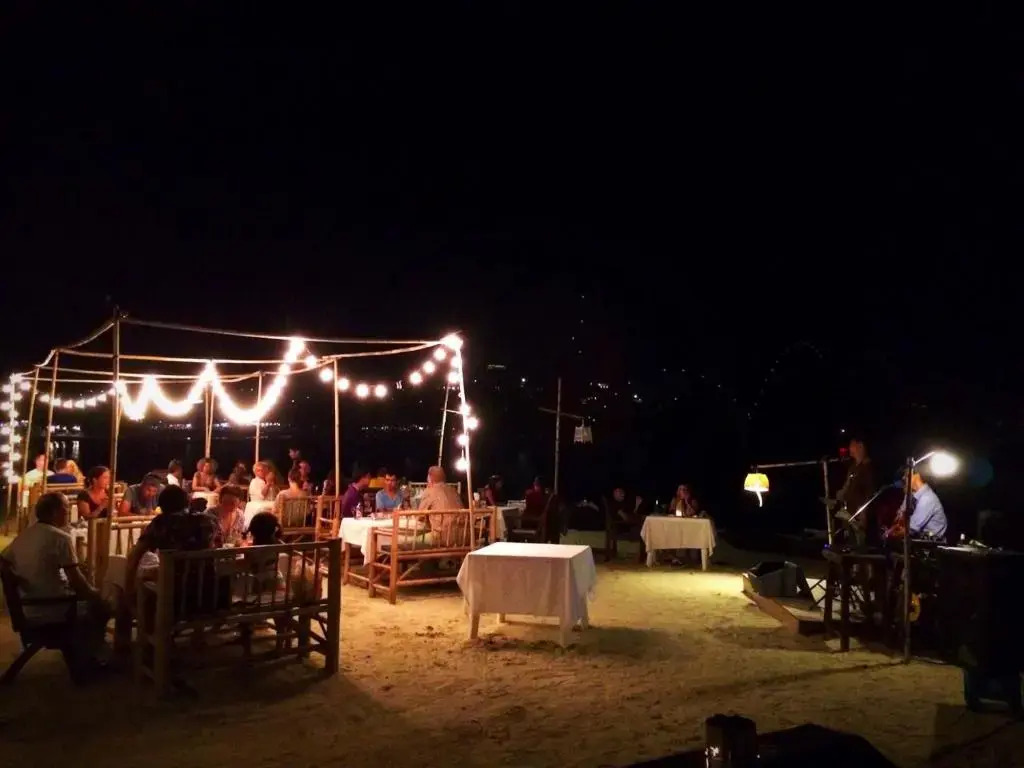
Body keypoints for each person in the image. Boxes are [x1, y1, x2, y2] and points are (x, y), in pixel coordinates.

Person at [1, 492, 111, 674]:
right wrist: (96, 595)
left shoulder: (24, 536)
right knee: (100, 607)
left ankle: (87, 653)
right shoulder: (60, 538)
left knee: (93, 603)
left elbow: (3, 561)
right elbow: (77, 582)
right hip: (51, 608)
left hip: (28, 606)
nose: (68, 513)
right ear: (55, 512)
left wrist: (17, 579)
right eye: (66, 510)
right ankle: (92, 657)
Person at [891, 466, 948, 542]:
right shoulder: (912, 495)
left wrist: (889, 535)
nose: (903, 478)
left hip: (931, 545)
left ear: (916, 476)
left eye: (906, 476)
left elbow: (911, 529)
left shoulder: (927, 498)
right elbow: (900, 518)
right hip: (918, 542)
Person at [837, 437, 876, 546]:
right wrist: (841, 494)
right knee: (850, 543)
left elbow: (870, 492)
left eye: (851, 445)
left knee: (862, 545)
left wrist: (864, 513)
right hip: (849, 514)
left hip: (861, 515)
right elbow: (847, 486)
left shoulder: (868, 468)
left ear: (860, 446)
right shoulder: (852, 468)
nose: (849, 448)